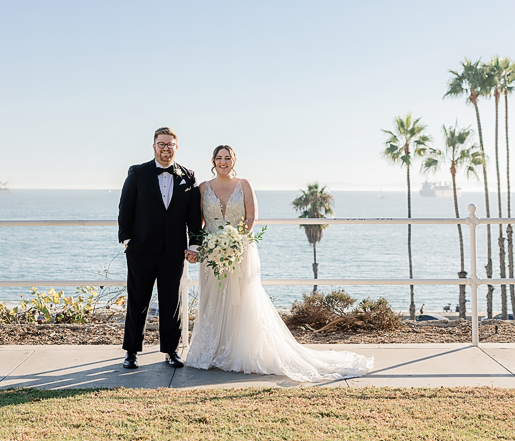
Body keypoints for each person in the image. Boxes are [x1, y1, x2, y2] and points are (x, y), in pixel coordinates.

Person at [186, 145, 373, 382]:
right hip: (213, 252)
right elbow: (198, 221)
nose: (223, 162)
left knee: (242, 300)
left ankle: (239, 351)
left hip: (240, 249)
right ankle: (211, 351)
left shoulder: (244, 184)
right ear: (212, 160)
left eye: (228, 158)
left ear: (234, 160)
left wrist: (234, 241)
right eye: (219, 158)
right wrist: (203, 246)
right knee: (213, 298)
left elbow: (251, 216)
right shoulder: (203, 188)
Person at [118, 127, 202, 369]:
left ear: (176, 147)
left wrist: (194, 243)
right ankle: (131, 352)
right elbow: (125, 207)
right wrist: (127, 240)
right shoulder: (138, 172)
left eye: (170, 144)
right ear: (154, 146)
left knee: (171, 302)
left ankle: (171, 351)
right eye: (161, 144)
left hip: (173, 251)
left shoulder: (189, 176)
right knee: (137, 301)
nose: (166, 148)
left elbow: (193, 217)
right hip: (140, 249)